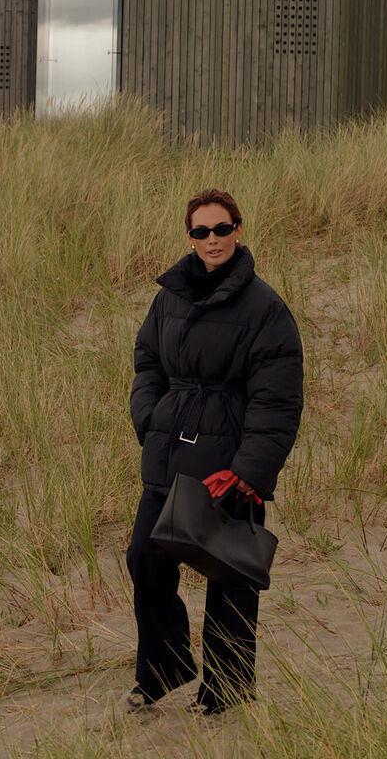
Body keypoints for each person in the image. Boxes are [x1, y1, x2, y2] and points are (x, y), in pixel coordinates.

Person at [125, 188, 303, 716]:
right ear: (189, 236)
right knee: (144, 560)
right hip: (169, 456)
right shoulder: (170, 297)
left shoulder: (266, 308)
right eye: (200, 231)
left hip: (229, 466)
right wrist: (150, 418)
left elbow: (278, 399)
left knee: (229, 577)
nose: (212, 240)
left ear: (238, 231)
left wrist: (251, 470)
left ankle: (223, 693)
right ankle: (162, 671)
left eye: (221, 229)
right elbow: (147, 360)